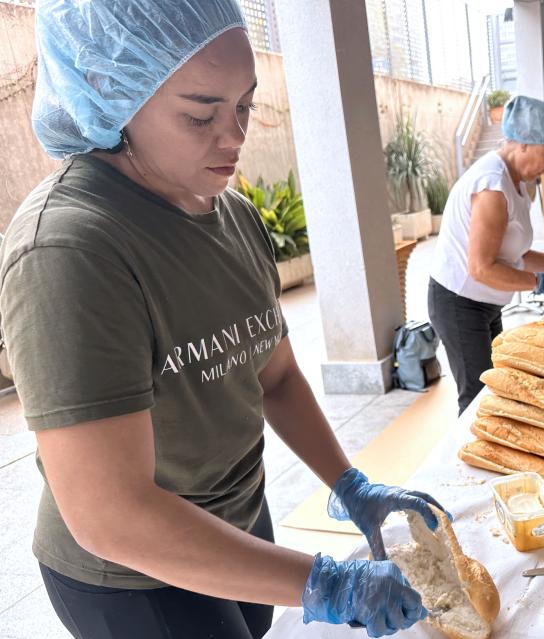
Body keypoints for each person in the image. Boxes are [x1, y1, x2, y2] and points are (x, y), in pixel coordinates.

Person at [0, 2, 447, 637]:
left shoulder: (230, 212)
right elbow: (109, 515)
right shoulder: (72, 250)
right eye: (200, 113)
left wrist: (348, 484)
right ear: (111, 91)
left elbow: (277, 376)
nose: (234, 135)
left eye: (243, 105)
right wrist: (324, 583)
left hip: (238, 522)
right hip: (139, 576)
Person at [428, 95, 544, 415]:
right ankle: (471, 462)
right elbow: (481, 268)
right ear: (522, 143)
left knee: (497, 384)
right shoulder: (492, 186)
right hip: (459, 302)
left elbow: (515, 254)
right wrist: (539, 282)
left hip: (487, 302)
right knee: (478, 397)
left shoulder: (516, 181)